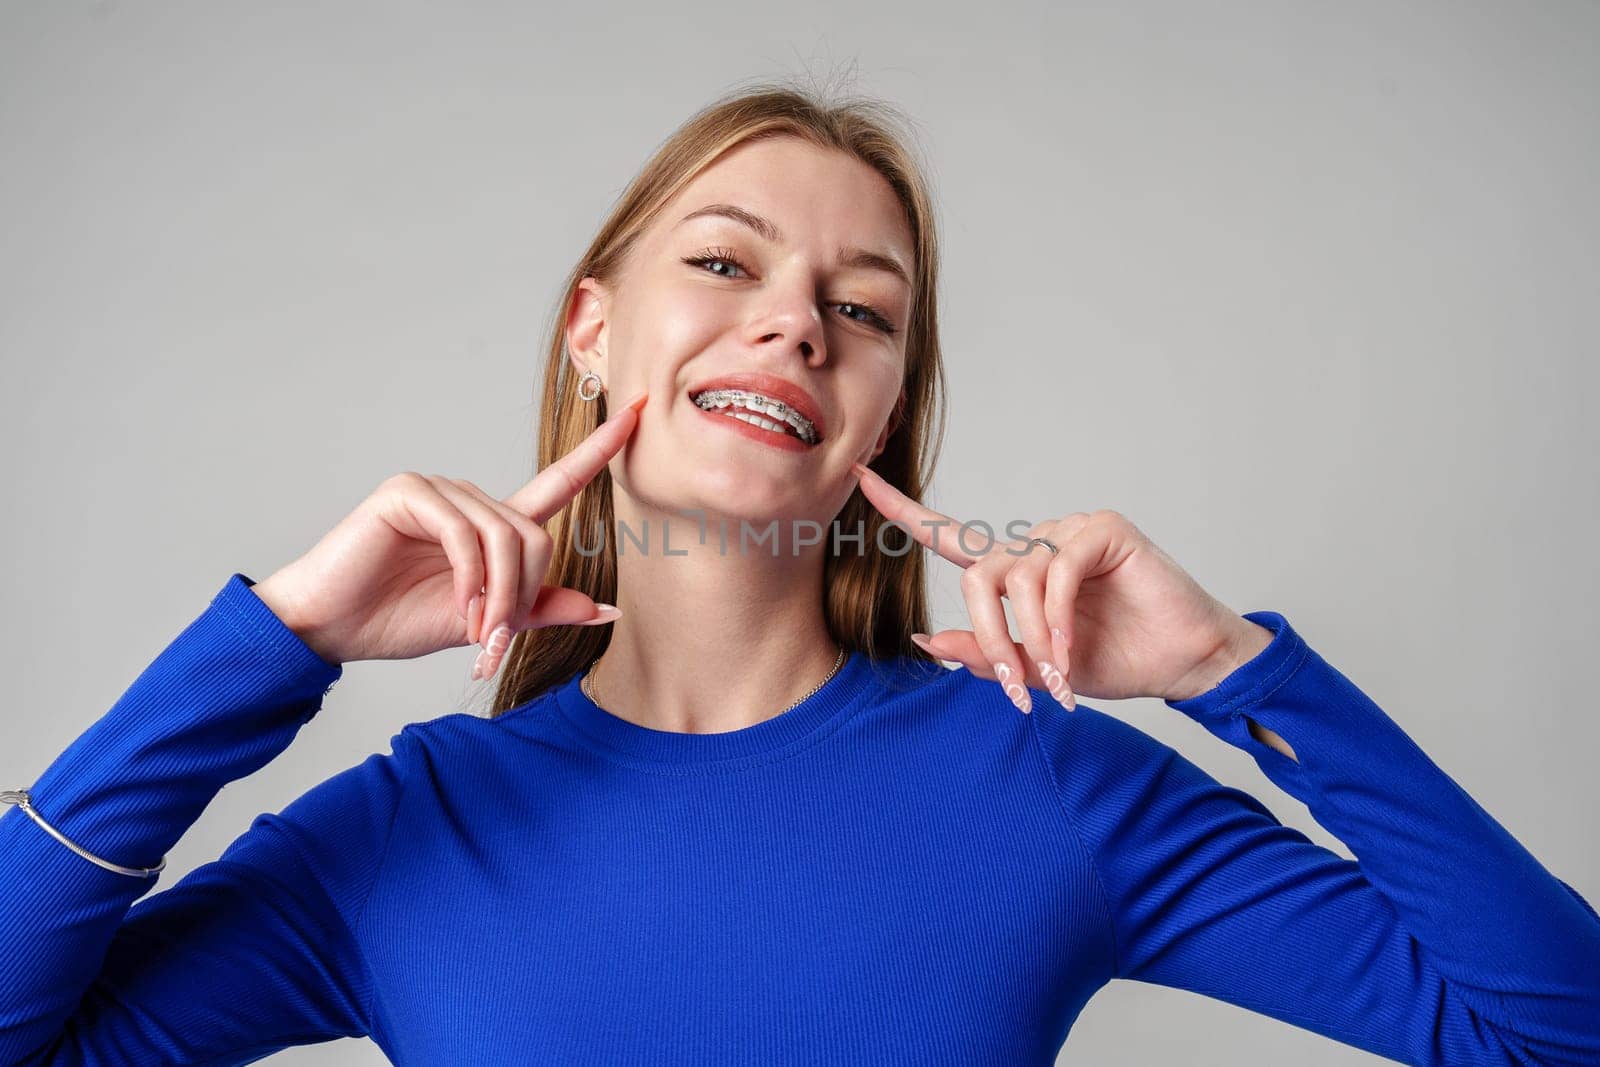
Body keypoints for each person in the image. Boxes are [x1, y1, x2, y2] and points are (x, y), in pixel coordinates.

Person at [2, 83, 1597, 1067]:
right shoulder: (411, 832)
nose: (795, 322)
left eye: (867, 307)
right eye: (723, 261)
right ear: (593, 326)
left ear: (883, 404)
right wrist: (274, 644)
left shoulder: (1045, 781)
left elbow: (1557, 1038)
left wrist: (1242, 676)